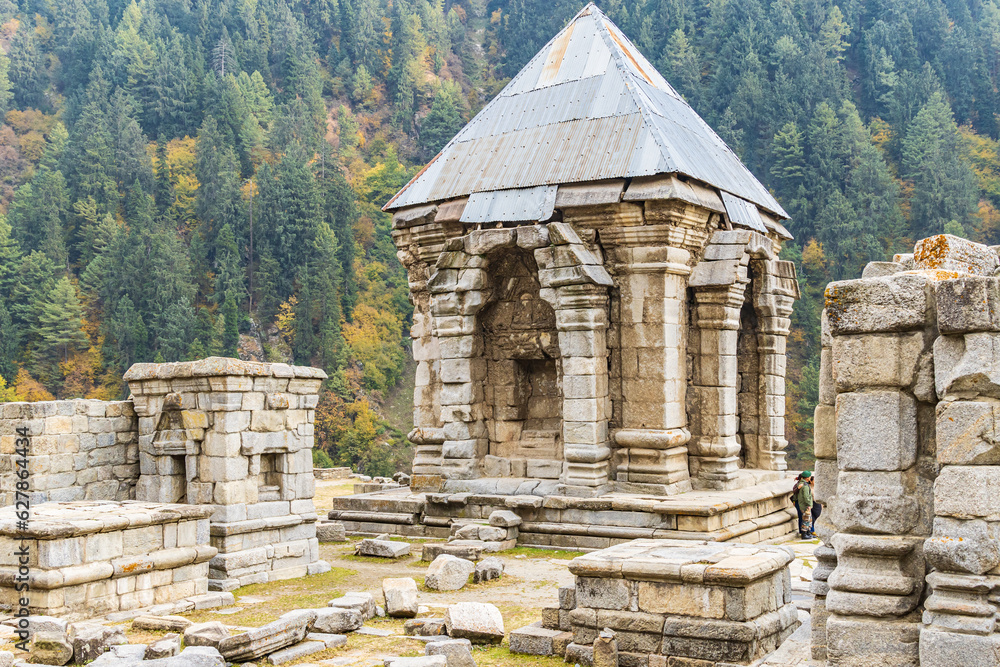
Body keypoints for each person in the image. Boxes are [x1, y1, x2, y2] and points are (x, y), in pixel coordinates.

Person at [791, 471, 816, 539]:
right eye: (810, 476)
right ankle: (804, 534)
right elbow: (806, 496)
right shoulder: (804, 485)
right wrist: (809, 505)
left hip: (803, 504)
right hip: (804, 505)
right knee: (806, 519)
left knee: (808, 519)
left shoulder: (803, 483)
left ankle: (808, 532)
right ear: (807, 478)